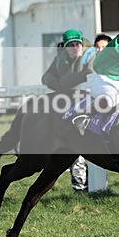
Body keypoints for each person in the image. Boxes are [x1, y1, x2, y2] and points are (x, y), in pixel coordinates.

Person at [42, 28, 94, 192]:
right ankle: (80, 187)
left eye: (78, 44)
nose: (75, 47)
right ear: (65, 47)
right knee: (71, 145)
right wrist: (56, 84)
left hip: (90, 106)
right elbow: (46, 77)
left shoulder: (89, 54)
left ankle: (94, 186)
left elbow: (90, 73)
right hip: (68, 108)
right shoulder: (60, 58)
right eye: (71, 45)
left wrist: (63, 82)